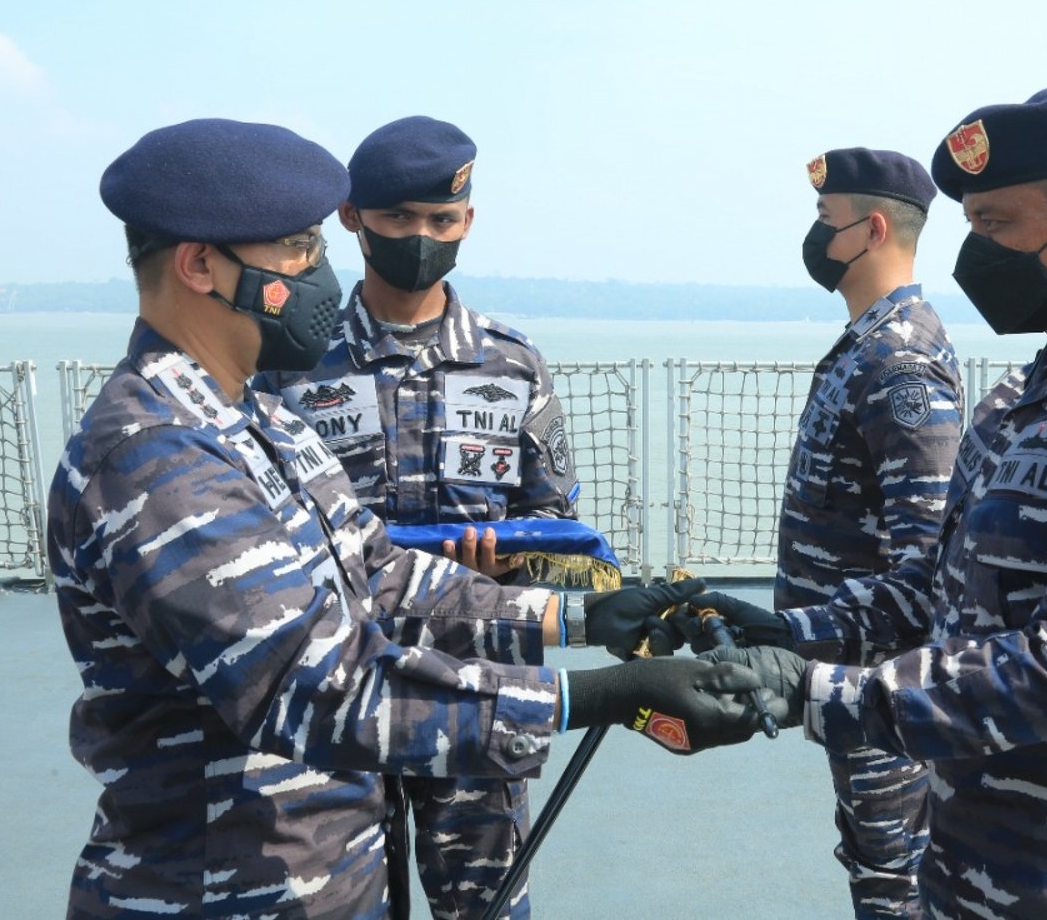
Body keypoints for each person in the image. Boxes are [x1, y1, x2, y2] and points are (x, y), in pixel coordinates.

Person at [47, 118, 773, 920]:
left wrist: (578, 617)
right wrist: (595, 697)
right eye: (297, 248)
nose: (320, 270)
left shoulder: (260, 422)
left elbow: (380, 578)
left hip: (325, 871)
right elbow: (318, 688)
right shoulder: (157, 458)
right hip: (221, 888)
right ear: (200, 266)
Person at [689, 82, 1047, 919]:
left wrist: (811, 692)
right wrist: (784, 634)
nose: (975, 255)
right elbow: (937, 590)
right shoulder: (1022, 398)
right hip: (967, 848)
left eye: (995, 225)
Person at [256, 115, 579, 919]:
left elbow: (558, 525)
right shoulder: (292, 362)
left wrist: (511, 564)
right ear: (352, 218)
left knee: (486, 906)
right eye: (398, 217)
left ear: (467, 221)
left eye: (442, 219)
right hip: (336, 682)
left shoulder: (511, 361)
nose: (422, 237)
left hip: (476, 682)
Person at [783, 146, 961, 918]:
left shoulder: (901, 361)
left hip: (882, 680)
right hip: (846, 669)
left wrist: (791, 631)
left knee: (895, 877)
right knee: (873, 859)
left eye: (827, 219)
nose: (816, 236)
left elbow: (923, 563)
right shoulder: (868, 343)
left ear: (874, 229)